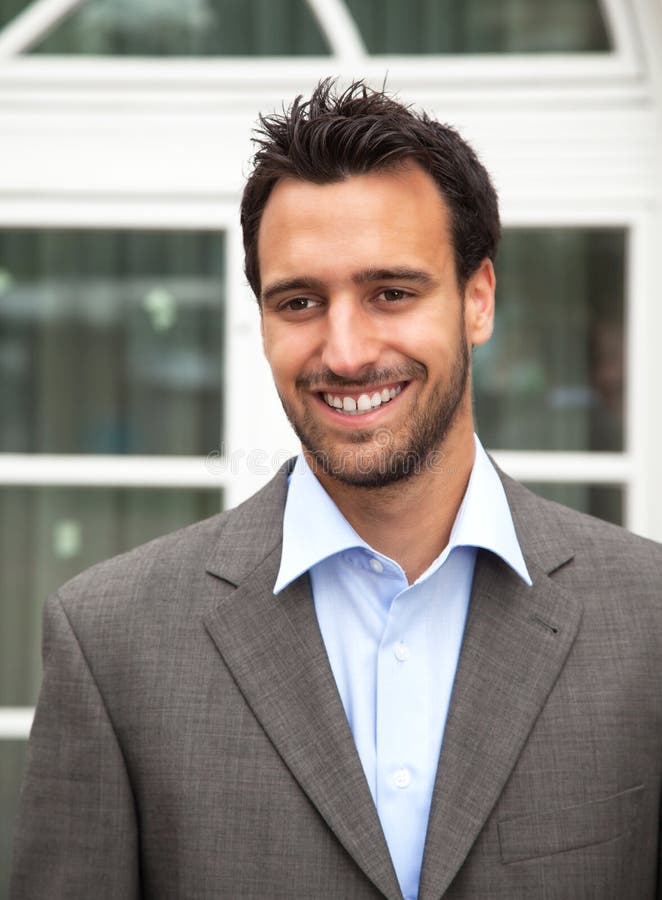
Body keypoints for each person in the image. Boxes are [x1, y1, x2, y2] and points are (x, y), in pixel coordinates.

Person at [10, 79, 662, 900]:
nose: (345, 351)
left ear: (478, 299)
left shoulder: (651, 618)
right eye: (301, 301)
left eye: (391, 291)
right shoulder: (111, 643)